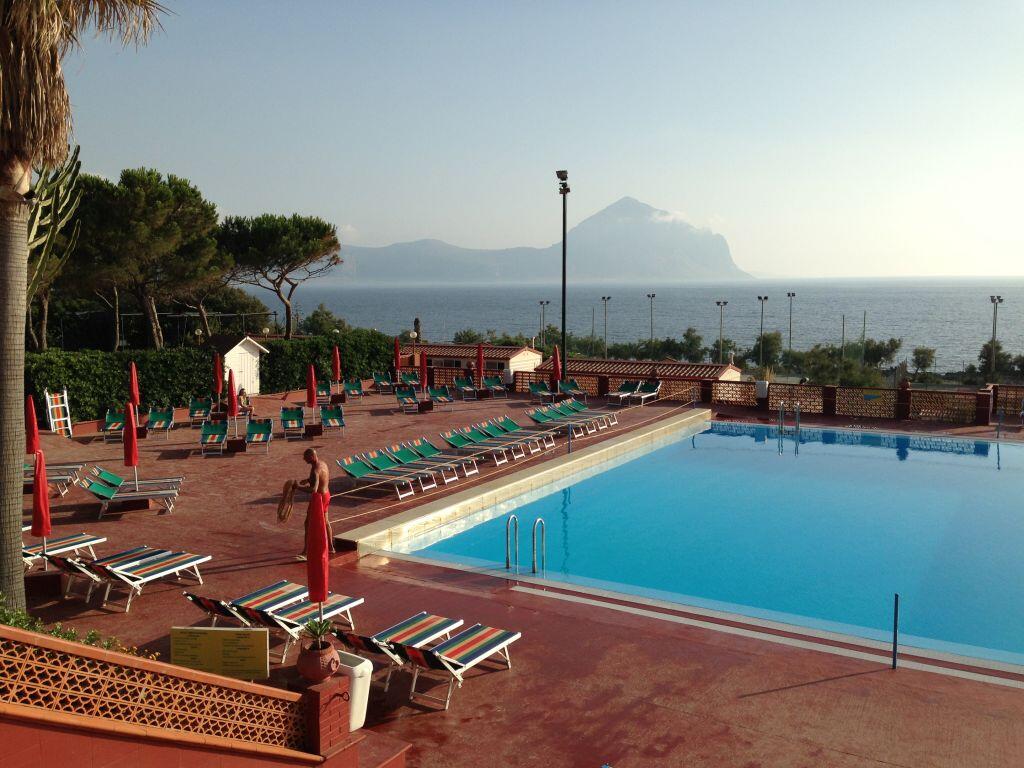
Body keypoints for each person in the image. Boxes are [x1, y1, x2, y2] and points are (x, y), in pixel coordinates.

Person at [296, 448, 335, 560]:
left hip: (319, 498)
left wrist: (297, 487)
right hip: (327, 495)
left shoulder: (315, 470)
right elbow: (321, 478)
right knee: (326, 521)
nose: (304, 459)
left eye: (305, 457)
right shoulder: (323, 464)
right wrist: (308, 480)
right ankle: (331, 547)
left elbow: (313, 490)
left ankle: (306, 551)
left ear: (312, 457)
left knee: (308, 523)